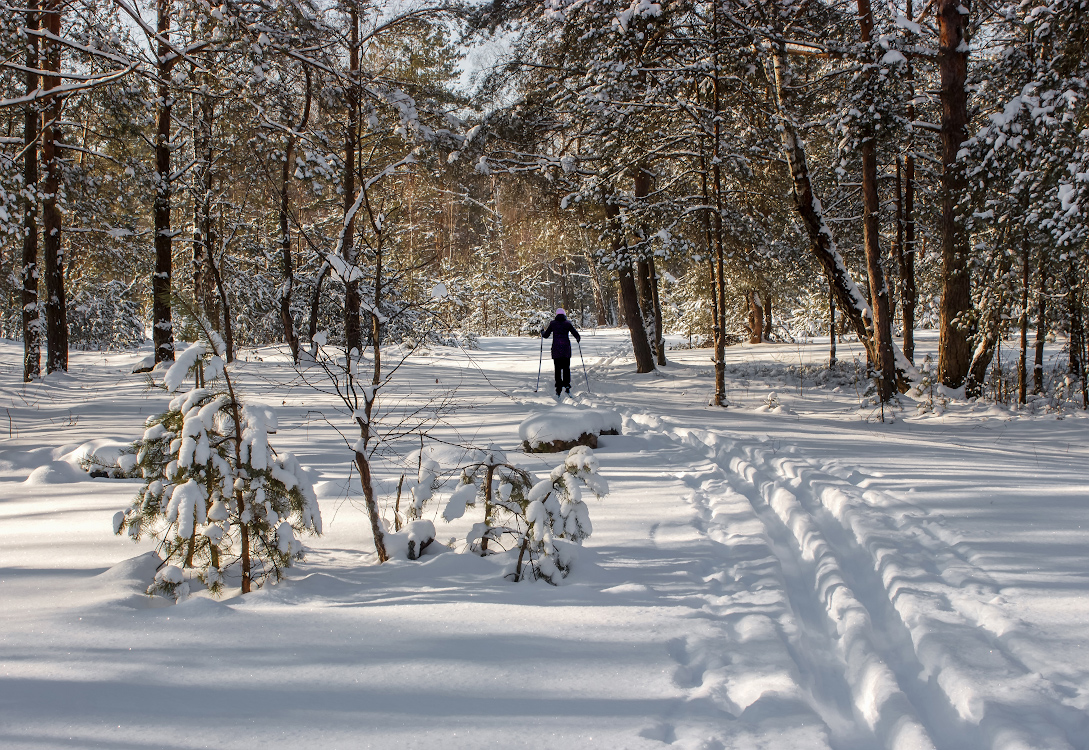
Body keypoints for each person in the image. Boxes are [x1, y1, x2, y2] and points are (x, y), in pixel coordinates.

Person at [542, 308, 581, 397]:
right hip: (566, 349)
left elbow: (546, 335)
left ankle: (558, 387)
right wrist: (578, 338)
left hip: (556, 349)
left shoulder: (553, 324)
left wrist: (542, 332)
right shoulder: (567, 323)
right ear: (564, 315)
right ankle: (567, 386)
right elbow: (576, 334)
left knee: (558, 369)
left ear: (556, 315)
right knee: (566, 368)